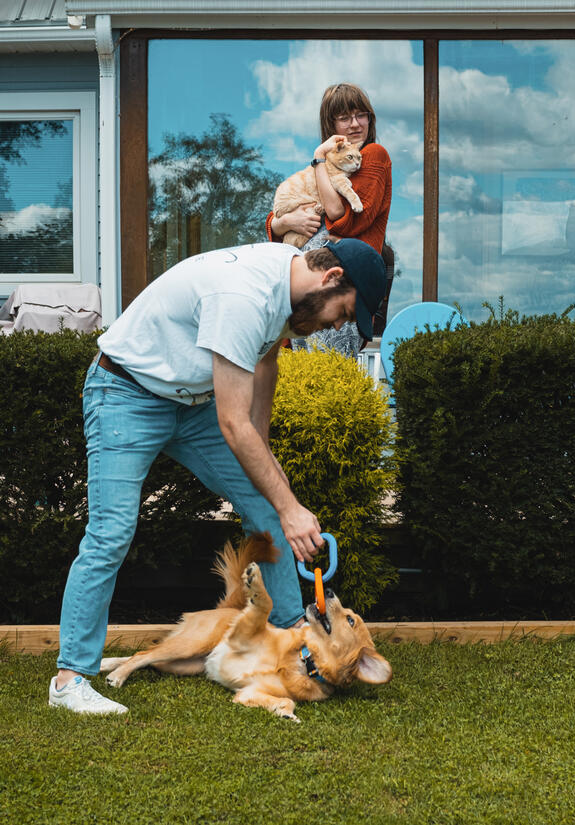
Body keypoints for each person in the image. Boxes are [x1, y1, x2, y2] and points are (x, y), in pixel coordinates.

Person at [48, 237, 388, 714]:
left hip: (190, 404)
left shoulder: (290, 287)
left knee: (266, 503)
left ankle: (291, 637)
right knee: (111, 532)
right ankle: (69, 681)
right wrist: (291, 508)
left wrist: (265, 460)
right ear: (331, 279)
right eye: (344, 312)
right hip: (125, 393)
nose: (337, 325)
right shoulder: (244, 296)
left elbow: (266, 361)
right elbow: (232, 422)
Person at [266, 82, 392, 357]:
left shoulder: (373, 155)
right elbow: (278, 219)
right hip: (304, 289)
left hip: (341, 288)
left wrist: (319, 160)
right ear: (331, 124)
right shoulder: (332, 162)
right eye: (345, 117)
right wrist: (285, 223)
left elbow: (343, 219)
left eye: (361, 115)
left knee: (331, 367)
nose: (355, 124)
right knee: (304, 370)